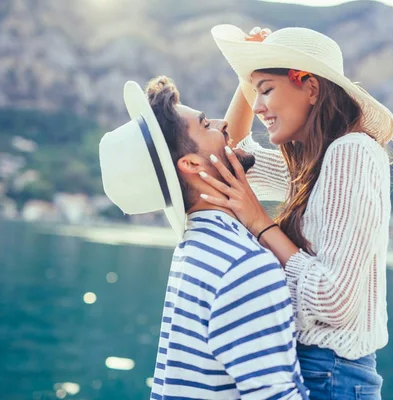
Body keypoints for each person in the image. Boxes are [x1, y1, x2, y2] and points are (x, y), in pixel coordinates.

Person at [195, 25, 393, 399]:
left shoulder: (351, 153)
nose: (258, 105)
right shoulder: (317, 162)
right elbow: (227, 160)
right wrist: (250, 72)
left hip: (330, 375)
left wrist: (259, 223)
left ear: (311, 88)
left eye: (267, 90)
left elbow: (334, 301)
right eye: (256, 92)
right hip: (311, 369)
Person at [99, 76, 309, 399]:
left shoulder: (193, 250)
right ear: (192, 164)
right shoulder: (244, 267)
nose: (223, 123)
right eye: (205, 124)